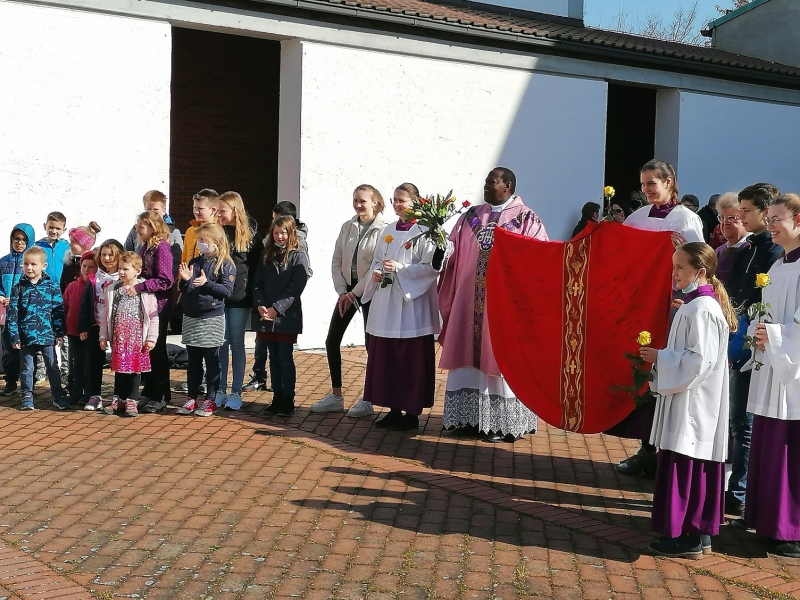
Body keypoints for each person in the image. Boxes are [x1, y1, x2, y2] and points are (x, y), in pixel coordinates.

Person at [439, 167, 548, 442]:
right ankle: (468, 418)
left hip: (502, 303)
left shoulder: (527, 218)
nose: (486, 186)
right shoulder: (471, 216)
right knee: (467, 355)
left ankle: (505, 424)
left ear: (508, 185)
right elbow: (453, 247)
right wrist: (440, 247)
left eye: (492, 182)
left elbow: (539, 256)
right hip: (469, 300)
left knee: (500, 356)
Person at [643, 242, 735, 558]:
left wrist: (661, 358)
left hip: (694, 405)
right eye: (674, 266)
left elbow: (700, 362)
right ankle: (693, 533)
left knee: (688, 466)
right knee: (687, 464)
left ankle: (689, 536)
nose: (674, 273)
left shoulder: (704, 310)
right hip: (688, 399)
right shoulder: (693, 305)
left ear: (701, 271)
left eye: (680, 267)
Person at [613, 159, 705, 476]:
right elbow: (619, 253)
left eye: (652, 182)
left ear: (669, 182)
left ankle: (665, 451)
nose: (647, 189)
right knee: (644, 373)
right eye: (643, 184)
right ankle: (646, 447)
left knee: (666, 372)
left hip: (673, 306)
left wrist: (686, 249)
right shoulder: (638, 217)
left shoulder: (686, 219)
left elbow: (701, 262)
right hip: (640, 307)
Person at [358, 183, 439, 431]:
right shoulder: (390, 230)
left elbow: (432, 267)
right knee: (388, 357)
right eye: (394, 200)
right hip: (387, 304)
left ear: (415, 202)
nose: (396, 204)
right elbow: (378, 261)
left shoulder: (425, 231)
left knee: (410, 359)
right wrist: (376, 274)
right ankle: (393, 409)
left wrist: (402, 271)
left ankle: (411, 412)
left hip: (411, 306)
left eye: (401, 200)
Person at [745, 193, 800, 558]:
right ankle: (767, 519)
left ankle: (790, 529)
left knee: (790, 449)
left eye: (778, 218)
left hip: (793, 378)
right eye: (769, 218)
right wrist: (757, 330)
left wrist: (776, 336)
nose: (771, 225)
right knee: (767, 442)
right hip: (772, 370)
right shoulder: (778, 266)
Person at [723, 183, 783, 518]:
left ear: (764, 210)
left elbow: (766, 301)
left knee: (746, 423)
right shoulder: (747, 250)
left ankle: (741, 490)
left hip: (755, 345)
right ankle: (738, 488)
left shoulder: (773, 252)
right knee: (737, 421)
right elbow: (735, 293)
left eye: (746, 211)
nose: (741, 216)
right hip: (738, 340)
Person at [310, 184, 391, 417]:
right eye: (355, 200)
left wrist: (354, 292)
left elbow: (376, 264)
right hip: (347, 293)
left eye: (362, 201)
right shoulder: (348, 226)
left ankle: (368, 399)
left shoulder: (384, 230)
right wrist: (342, 291)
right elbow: (336, 260)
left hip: (369, 293)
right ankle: (336, 395)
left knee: (370, 346)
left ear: (375, 202)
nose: (357, 205)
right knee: (331, 340)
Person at [244, 200, 309, 393]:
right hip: (266, 315)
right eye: (276, 233)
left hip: (286, 317)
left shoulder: (298, 257)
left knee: (285, 358)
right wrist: (261, 305)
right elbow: (257, 284)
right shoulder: (267, 256)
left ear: (291, 234)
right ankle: (277, 398)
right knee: (272, 357)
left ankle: (287, 398)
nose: (280, 237)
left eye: (284, 233)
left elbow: (294, 289)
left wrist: (276, 309)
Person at [175, 223, 234, 417]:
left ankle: (210, 398)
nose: (200, 244)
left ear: (216, 242)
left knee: (211, 359)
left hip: (211, 317)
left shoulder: (225, 264)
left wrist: (207, 284)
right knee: (193, 361)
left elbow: (226, 291)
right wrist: (184, 280)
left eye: (203, 240)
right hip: (192, 316)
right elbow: (187, 289)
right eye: (198, 240)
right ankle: (192, 397)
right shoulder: (195, 261)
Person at [214, 192, 263, 410]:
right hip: (218, 296)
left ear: (235, 211)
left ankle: (236, 392)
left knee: (236, 343)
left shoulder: (251, 237)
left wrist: (255, 296)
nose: (219, 214)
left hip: (239, 298)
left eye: (223, 211)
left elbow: (256, 269)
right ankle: (220, 389)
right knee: (220, 344)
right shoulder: (218, 232)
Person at [6, 246, 68, 410]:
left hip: (47, 335)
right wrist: (14, 336)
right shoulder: (18, 288)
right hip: (25, 336)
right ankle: (27, 396)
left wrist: (59, 332)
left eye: (33, 264)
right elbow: (12, 314)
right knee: (27, 367)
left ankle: (57, 395)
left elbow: (58, 311)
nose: (29, 268)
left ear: (43, 266)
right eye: (26, 264)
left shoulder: (52, 287)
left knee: (52, 366)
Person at [98, 252, 159, 417]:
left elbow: (153, 316)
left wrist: (151, 338)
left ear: (137, 270)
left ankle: (132, 398)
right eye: (120, 268)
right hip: (120, 338)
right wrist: (103, 335)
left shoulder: (145, 291)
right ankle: (119, 397)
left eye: (126, 268)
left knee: (134, 369)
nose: (122, 272)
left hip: (137, 338)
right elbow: (105, 315)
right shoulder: (113, 289)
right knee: (120, 368)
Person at [133, 212, 175, 412]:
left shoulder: (162, 249)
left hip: (159, 307)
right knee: (148, 350)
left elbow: (166, 280)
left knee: (157, 350)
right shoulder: (144, 247)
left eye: (141, 226)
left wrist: (141, 286)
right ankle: (149, 390)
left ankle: (162, 394)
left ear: (152, 227)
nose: (138, 230)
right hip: (145, 304)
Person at [79, 239, 124, 411]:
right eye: (103, 254)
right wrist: (83, 327)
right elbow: (85, 304)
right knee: (93, 362)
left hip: (119, 326)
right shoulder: (94, 278)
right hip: (96, 325)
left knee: (120, 361)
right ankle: (94, 395)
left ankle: (119, 396)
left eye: (110, 255)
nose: (106, 258)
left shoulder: (123, 277)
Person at [0, 223, 35, 397]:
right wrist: (1, 296)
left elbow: (34, 286)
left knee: (27, 347)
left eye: (23, 239)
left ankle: (30, 382)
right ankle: (11, 380)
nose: (19, 242)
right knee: (8, 348)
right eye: (16, 238)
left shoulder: (31, 263)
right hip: (7, 315)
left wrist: (15, 300)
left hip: (25, 314)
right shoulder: (3, 261)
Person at [63, 251, 97, 405]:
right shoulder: (72, 286)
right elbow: (65, 306)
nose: (86, 270)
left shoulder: (95, 286)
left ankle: (88, 392)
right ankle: (76, 391)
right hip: (73, 330)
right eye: (84, 266)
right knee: (77, 362)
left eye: (91, 267)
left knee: (88, 362)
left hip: (89, 330)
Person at [124, 190, 184, 262]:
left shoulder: (173, 232)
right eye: (149, 209)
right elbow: (127, 254)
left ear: (164, 209)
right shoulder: (136, 230)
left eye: (156, 210)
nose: (152, 213)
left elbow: (178, 258)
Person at [714, 192, 749, 286]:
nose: (725, 222)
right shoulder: (718, 251)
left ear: (744, 219)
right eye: (721, 217)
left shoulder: (752, 249)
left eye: (731, 218)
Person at [60, 222, 102, 292]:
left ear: (84, 244)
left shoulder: (92, 262)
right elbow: (63, 284)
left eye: (73, 242)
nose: (70, 244)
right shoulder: (69, 262)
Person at [182, 189, 219, 264]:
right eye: (194, 208)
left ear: (213, 210)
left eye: (200, 208)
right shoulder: (190, 231)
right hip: (189, 274)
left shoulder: (219, 231)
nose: (196, 211)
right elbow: (184, 258)